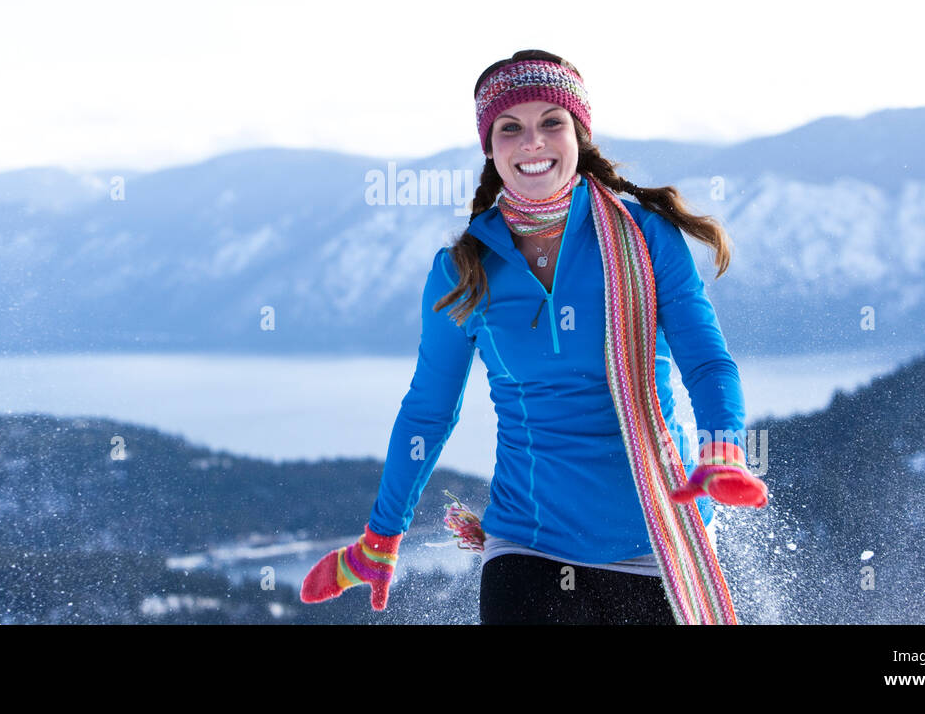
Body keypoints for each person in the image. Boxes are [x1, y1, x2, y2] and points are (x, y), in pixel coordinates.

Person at [300, 50, 768, 624]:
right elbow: (428, 410)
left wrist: (723, 444)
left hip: (657, 536)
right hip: (528, 543)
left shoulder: (648, 238)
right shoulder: (463, 269)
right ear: (490, 147)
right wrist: (382, 533)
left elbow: (707, 362)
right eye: (510, 128)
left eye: (552, 121)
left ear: (579, 133)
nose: (532, 142)